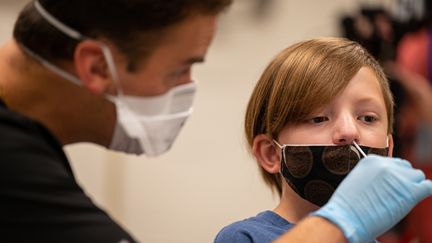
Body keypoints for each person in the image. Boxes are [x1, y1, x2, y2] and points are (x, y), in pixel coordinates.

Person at [0, 1, 430, 243]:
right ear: (96, 67)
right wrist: (342, 222)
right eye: (179, 69)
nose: (348, 132)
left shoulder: (26, 162)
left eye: (367, 117)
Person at [214, 37, 432, 243]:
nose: (348, 131)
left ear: (389, 148)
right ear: (271, 153)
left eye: (367, 118)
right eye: (318, 118)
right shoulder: (243, 237)